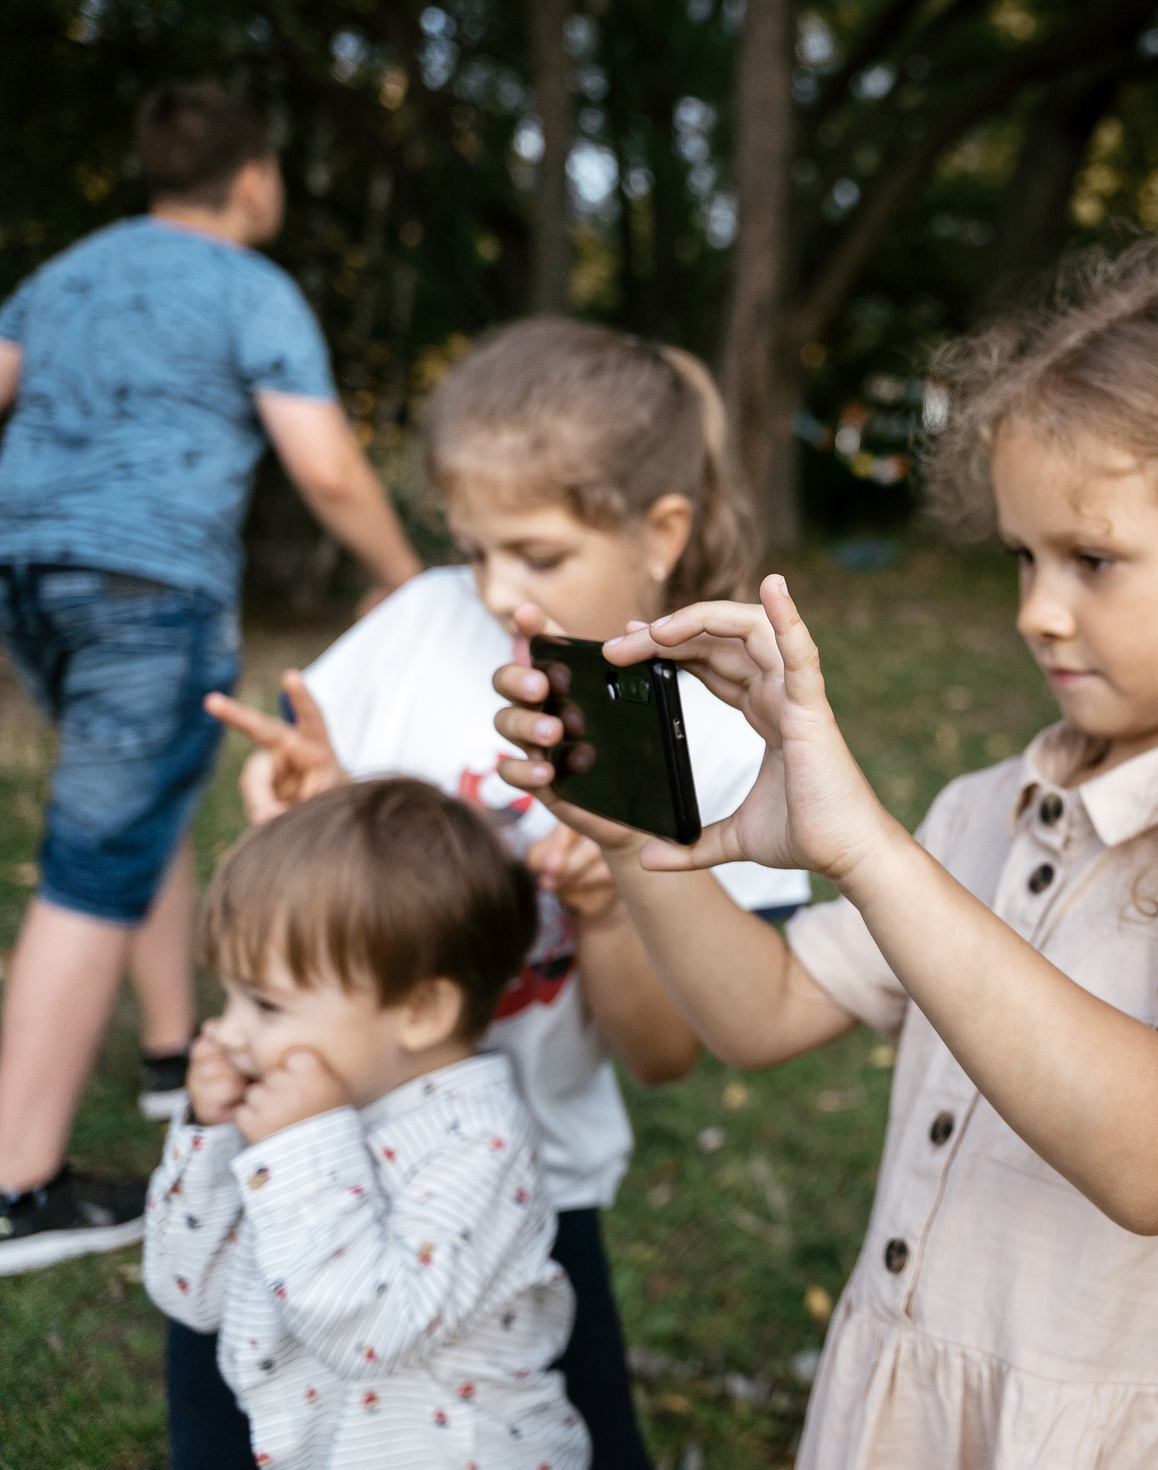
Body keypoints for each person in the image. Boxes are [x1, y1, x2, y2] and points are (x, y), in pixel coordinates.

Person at [489, 239, 1158, 1468]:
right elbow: (762, 1011)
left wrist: (871, 856)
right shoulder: (985, 808)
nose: (1036, 611)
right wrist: (642, 843)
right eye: (1023, 556)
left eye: (1092, 560)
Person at [174, 318, 804, 1469]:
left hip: (527, 1202)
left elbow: (668, 1053)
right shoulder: (422, 626)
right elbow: (313, 893)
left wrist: (612, 904)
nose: (498, 592)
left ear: (661, 531)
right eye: (474, 550)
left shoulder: (720, 740)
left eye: (540, 555)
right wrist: (319, 806)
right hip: (300, 1145)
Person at [0, 81, 422, 1274]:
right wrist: (404, 576)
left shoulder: (65, 274)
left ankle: (166, 1053)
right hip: (148, 588)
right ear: (252, 180)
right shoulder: (250, 286)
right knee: (94, 859)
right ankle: (18, 1188)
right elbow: (328, 469)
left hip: (28, 575)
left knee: (150, 807)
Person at [143, 777, 589, 1469]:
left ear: (419, 1012)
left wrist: (298, 1147)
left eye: (265, 1004)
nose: (227, 1031)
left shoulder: (476, 1143)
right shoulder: (289, 1107)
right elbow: (188, 1291)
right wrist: (205, 1131)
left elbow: (373, 1329)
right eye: (227, 995)